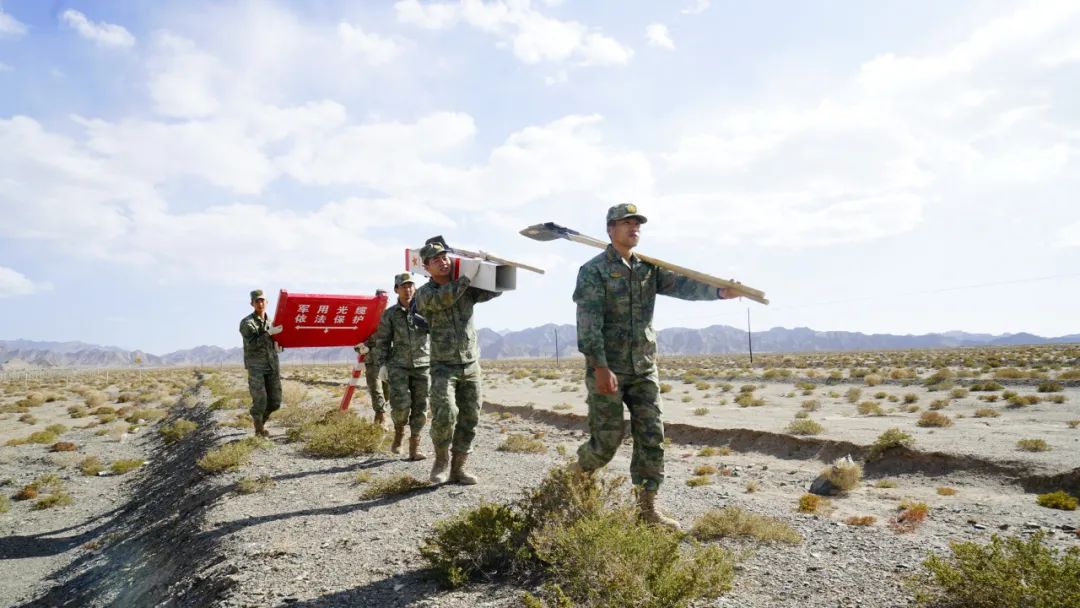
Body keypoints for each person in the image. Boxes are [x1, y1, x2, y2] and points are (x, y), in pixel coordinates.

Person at [571, 204, 737, 530]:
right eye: (626, 223)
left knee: (652, 437)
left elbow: (685, 286)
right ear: (610, 229)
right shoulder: (593, 271)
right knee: (606, 442)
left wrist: (720, 291)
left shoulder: (649, 269)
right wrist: (600, 367)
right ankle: (574, 478)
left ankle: (646, 510)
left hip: (644, 367)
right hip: (609, 368)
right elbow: (588, 323)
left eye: (637, 224)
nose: (634, 228)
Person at [415, 241, 501, 484]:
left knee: (470, 416)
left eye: (445, 257)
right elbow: (444, 299)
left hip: (470, 364)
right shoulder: (424, 294)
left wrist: (491, 264)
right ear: (426, 267)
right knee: (445, 412)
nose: (443, 262)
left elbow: (495, 289)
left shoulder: (466, 288)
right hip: (444, 365)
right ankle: (440, 461)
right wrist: (465, 278)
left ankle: (459, 467)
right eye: (436, 260)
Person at [372, 273, 431, 461]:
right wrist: (382, 365)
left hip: (423, 365)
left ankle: (415, 446)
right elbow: (382, 341)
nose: (408, 289)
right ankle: (398, 435)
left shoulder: (425, 309)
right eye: (403, 286)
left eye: (411, 286)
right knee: (401, 405)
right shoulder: (390, 314)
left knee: (421, 407)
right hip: (398, 366)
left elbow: (437, 331)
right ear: (397, 289)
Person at [239, 289, 282, 437]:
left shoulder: (272, 322)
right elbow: (253, 343)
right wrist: (268, 333)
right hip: (256, 366)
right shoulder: (247, 323)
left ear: (267, 302)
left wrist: (279, 344)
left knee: (275, 401)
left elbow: (278, 338)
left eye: (262, 300)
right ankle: (259, 429)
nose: (260, 303)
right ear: (252, 303)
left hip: (272, 364)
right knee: (260, 400)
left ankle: (260, 421)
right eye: (257, 301)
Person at [362, 289, 391, 426]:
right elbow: (357, 338)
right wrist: (361, 347)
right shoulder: (367, 317)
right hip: (372, 359)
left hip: (388, 359)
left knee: (387, 391)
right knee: (376, 389)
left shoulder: (392, 316)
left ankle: (379, 415)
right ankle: (381, 416)